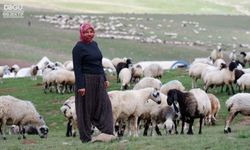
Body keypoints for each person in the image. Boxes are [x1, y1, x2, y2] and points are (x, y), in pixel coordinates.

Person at [72, 22, 115, 143]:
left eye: (91, 31)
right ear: (81, 33)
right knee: (85, 109)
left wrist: (104, 78)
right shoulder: (78, 48)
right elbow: (77, 68)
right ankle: (85, 138)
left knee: (105, 105)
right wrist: (81, 86)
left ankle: (107, 133)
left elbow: (99, 63)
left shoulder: (95, 45)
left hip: (99, 80)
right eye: (86, 32)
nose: (89, 34)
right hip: (86, 81)